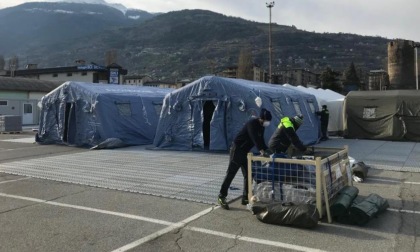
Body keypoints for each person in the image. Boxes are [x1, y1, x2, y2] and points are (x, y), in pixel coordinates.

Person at [218, 108, 273, 210]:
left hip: (246, 152)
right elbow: (255, 139)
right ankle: (222, 196)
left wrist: (269, 151)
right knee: (231, 173)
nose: (267, 123)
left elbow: (261, 140)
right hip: (237, 149)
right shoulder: (252, 124)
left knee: (249, 174)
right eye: (266, 121)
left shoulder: (262, 127)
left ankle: (246, 197)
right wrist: (262, 150)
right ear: (261, 118)